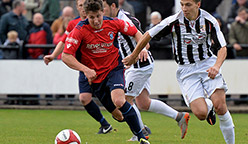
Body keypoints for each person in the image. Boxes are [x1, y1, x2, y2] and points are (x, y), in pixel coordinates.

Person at [122, 0, 235, 144]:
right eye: (182, 4)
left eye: (188, 4)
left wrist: (217, 66)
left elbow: (222, 47)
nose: (184, 8)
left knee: (221, 105)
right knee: (200, 114)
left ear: (198, 4)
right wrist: (133, 55)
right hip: (186, 70)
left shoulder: (209, 21)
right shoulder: (173, 21)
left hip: (208, 64)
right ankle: (209, 105)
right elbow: (148, 35)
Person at [62, 0, 149, 143]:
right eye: (91, 17)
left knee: (119, 100)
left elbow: (137, 33)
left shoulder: (114, 23)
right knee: (119, 117)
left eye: (98, 16)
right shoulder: (79, 30)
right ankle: (135, 126)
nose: (96, 21)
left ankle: (142, 137)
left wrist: (141, 49)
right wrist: (85, 69)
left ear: (103, 12)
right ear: (86, 16)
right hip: (95, 78)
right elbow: (66, 56)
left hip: (114, 69)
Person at [103, 0, 190, 141]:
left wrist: (142, 48)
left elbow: (143, 38)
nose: (102, 11)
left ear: (113, 6)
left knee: (125, 100)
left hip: (138, 66)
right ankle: (179, 117)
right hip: (137, 65)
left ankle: (140, 133)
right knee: (143, 102)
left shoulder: (125, 19)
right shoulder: (113, 19)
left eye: (104, 7)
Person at [44, 0, 113, 135]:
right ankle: (104, 124)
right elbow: (64, 41)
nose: (82, 8)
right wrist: (52, 56)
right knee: (84, 98)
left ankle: (137, 125)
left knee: (117, 99)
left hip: (105, 66)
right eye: (80, 6)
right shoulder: (73, 24)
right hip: (85, 67)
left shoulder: (102, 21)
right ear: (77, 7)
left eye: (84, 5)